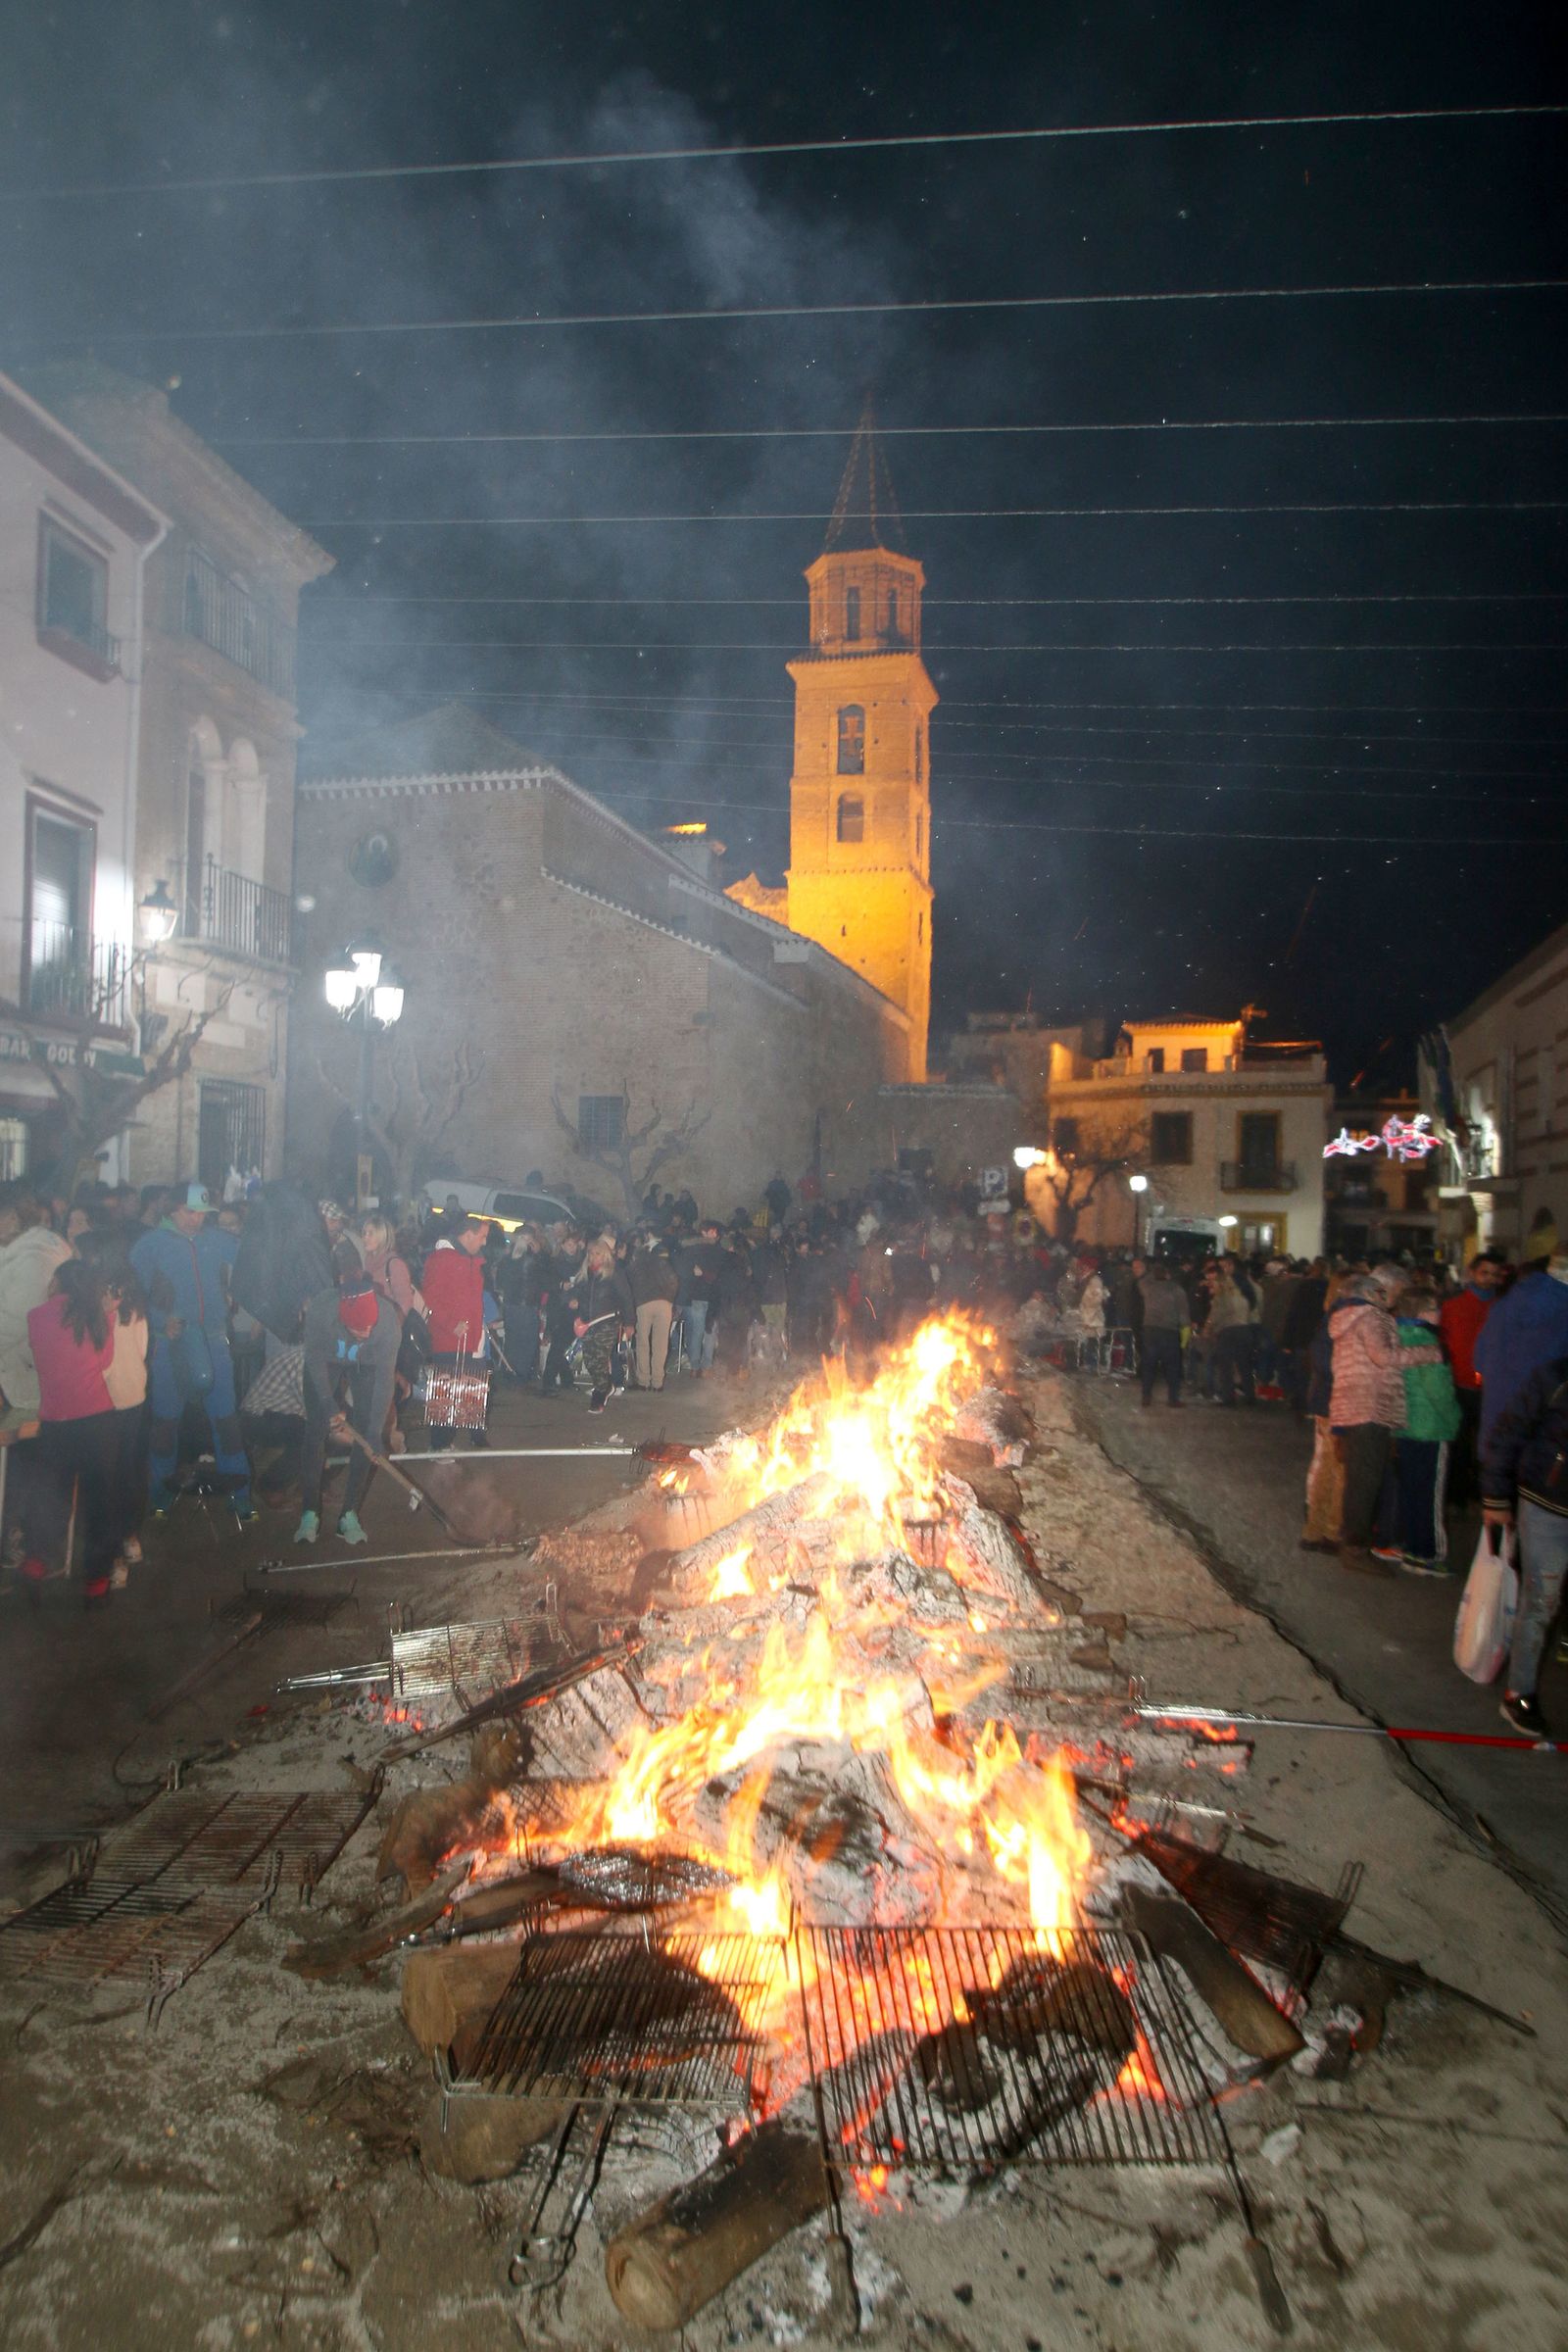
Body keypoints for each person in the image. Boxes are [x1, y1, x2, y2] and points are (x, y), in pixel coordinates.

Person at [130, 1182, 253, 1523]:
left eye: (202, 1213)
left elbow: (252, 1258)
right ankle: (160, 1493)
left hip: (213, 1340)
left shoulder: (215, 1239)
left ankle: (240, 1494)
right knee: (166, 1423)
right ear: (172, 1210)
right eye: (190, 1211)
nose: (197, 1219)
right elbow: (132, 1293)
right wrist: (158, 1321)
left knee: (226, 1421)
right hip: (171, 1345)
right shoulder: (150, 1245)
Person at [1327, 1263, 1438, 1576]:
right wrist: (1429, 1352)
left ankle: (1352, 1543)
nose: (1398, 1299)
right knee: (1366, 1480)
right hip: (1370, 1406)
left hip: (1356, 1403)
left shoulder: (1352, 1315)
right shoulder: (1372, 1316)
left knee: (1360, 1479)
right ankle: (1355, 1549)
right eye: (1399, 1292)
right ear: (1385, 1287)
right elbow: (1384, 1357)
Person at [22, 1259, 121, 1605]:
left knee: (51, 1497)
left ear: (59, 1281)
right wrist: (109, 1315)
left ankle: (35, 1562)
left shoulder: (36, 1316)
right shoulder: (94, 1316)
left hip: (55, 1424)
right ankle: (95, 1582)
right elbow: (105, 1361)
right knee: (99, 1504)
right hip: (96, 1422)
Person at [1481, 1346, 1568, 1736]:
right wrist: (1496, 1497)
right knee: (1540, 1603)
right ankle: (1519, 1693)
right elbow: (1509, 1431)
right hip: (1548, 1507)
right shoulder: (1554, 1376)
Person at [294, 1271, 402, 1545]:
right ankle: (309, 1511)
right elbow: (314, 1360)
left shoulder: (387, 1321)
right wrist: (328, 1403)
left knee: (366, 1434)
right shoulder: (322, 1311)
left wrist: (377, 1431)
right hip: (327, 1361)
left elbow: (384, 1379)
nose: (366, 1333)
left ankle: (348, 1514)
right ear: (343, 1320)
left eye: (369, 1327)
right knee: (316, 1428)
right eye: (359, 1330)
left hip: (367, 1365)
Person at [1393, 1283, 1461, 1573]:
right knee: (1430, 1494)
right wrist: (1456, 1419)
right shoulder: (1428, 1344)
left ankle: (1410, 1545)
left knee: (1411, 1489)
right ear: (1422, 1312)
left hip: (1404, 1425)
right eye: (1435, 1308)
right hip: (1431, 1426)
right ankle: (1427, 1554)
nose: (1440, 1313)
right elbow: (1440, 1393)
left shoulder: (1395, 1338)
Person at [1474, 1243, 1568, 1441]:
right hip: (1540, 1438)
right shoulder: (1562, 1310)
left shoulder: (1505, 1304)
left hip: (1497, 1428)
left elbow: (1479, 1360)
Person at [0, 1183, 73, 1418]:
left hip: (26, 1383)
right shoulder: (18, 1250)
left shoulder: (35, 1260)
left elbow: (15, 1323)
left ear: (11, 1218)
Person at [1440, 1250, 1506, 1505]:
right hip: (1458, 1384)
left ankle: (1483, 1493)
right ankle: (1457, 1494)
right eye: (1484, 1272)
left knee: (1488, 1445)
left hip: (1491, 1387)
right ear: (1472, 1272)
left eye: (1494, 1274)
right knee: (1458, 1445)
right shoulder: (1453, 1307)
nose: (1489, 1279)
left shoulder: (1503, 1308)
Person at [419, 1214, 490, 1450]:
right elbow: (430, 1298)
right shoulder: (442, 1260)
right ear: (468, 1235)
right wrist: (451, 1324)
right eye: (482, 1237)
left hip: (471, 1338)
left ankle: (472, 1435)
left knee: (471, 1386)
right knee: (446, 1391)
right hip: (449, 1339)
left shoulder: (471, 1259)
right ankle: (439, 1445)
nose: (484, 1242)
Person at [572, 1239, 633, 1413]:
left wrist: (629, 1323)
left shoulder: (614, 1273)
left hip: (607, 1321)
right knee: (589, 1359)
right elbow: (578, 1292)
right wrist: (573, 1300)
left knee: (600, 1357)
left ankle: (600, 1393)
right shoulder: (586, 1274)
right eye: (591, 1253)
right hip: (588, 1321)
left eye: (597, 1253)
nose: (593, 1256)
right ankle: (604, 1384)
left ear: (605, 1255)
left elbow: (626, 1298)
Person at [627, 1232, 678, 1391]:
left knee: (643, 1342)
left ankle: (644, 1381)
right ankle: (658, 1382)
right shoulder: (661, 1262)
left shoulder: (635, 1266)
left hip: (643, 1304)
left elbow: (629, 1286)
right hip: (664, 1304)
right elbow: (674, 1280)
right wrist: (669, 1299)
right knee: (661, 1343)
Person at [1204, 1259, 1255, 1407]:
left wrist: (1208, 1327)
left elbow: (1217, 1312)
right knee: (1244, 1365)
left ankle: (1228, 1398)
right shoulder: (1240, 1292)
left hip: (1228, 1331)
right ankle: (1250, 1397)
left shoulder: (1222, 1295)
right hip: (1244, 1329)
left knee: (1225, 1366)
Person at [1137, 1259, 1188, 1407]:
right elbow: (1184, 1314)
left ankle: (1146, 1396)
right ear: (1168, 1275)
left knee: (1149, 1364)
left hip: (1150, 1330)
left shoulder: (1148, 1288)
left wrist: (1152, 1274)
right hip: (1169, 1331)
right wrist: (1185, 1329)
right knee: (1172, 1366)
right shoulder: (1177, 1290)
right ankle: (1173, 1398)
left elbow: (1141, 1281)